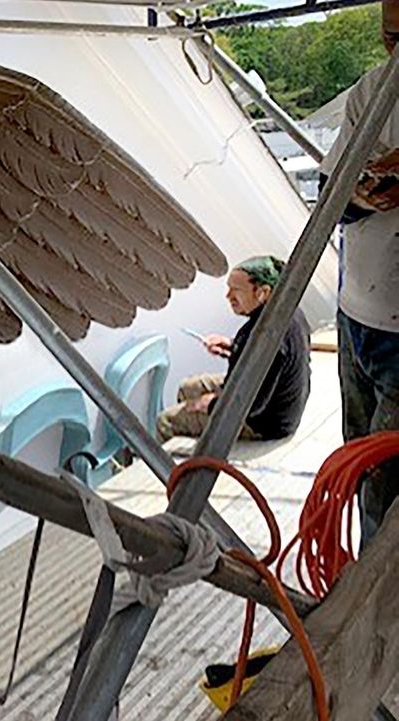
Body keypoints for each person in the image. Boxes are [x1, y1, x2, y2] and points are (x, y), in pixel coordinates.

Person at [320, 0, 399, 543]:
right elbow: (331, 194)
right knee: (357, 464)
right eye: (388, 35)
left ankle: (380, 610)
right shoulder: (372, 90)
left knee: (387, 489)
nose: (395, 50)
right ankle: (360, 598)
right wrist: (365, 193)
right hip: (357, 319)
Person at [156, 256, 311, 442]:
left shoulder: (265, 336)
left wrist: (212, 404)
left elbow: (251, 405)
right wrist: (232, 347)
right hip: (280, 407)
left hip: (265, 423)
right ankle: (201, 436)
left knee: (165, 421)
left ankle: (181, 462)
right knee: (187, 388)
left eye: (236, 290)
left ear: (263, 292)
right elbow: (262, 363)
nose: (228, 296)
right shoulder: (288, 312)